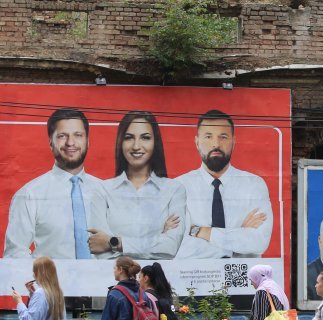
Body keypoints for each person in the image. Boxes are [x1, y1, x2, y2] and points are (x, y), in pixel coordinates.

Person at [4, 108, 102, 259]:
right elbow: (15, 254)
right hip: (50, 282)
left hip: (104, 282)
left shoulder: (107, 192)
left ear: (87, 141)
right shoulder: (29, 194)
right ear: (51, 142)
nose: (71, 142)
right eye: (62, 136)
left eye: (78, 135)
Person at [88, 111, 187, 260]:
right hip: (113, 279)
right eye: (129, 138)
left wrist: (113, 242)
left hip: (158, 280)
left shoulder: (174, 190)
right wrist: (158, 239)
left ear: (155, 142)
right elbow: (100, 251)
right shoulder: (102, 190)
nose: (136, 146)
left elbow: (170, 248)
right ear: (121, 142)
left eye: (145, 138)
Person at [176, 109, 272, 259]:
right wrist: (239, 233)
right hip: (194, 277)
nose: (216, 144)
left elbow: (259, 242)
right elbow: (181, 248)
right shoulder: (179, 187)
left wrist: (200, 231)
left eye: (223, 137)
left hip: (242, 278)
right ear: (197, 142)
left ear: (233, 142)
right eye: (208, 136)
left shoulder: (254, 185)